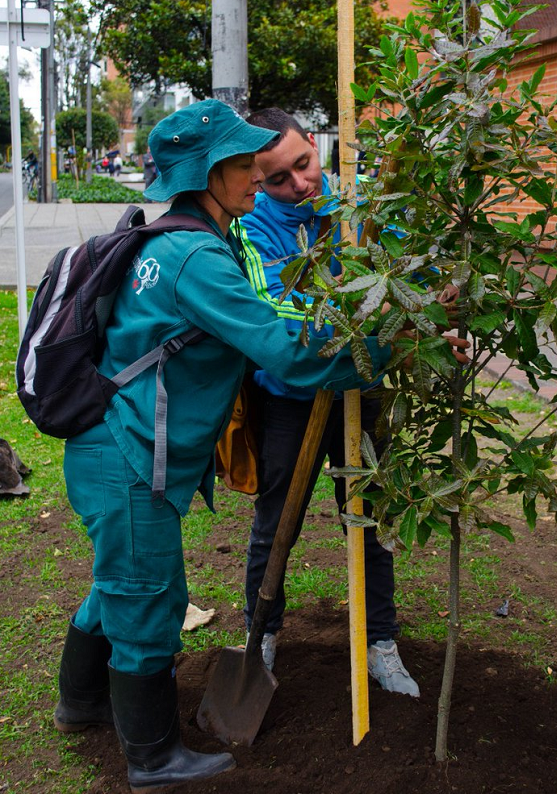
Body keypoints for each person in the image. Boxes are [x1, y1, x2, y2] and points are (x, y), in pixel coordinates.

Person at [53, 100, 396, 793]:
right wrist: (387, 345)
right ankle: (153, 757)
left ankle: (81, 702)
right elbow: (284, 349)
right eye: (244, 164)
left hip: (115, 447)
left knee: (120, 581)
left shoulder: (190, 240)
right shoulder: (195, 258)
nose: (257, 175)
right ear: (208, 175)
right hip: (123, 452)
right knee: (148, 595)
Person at [239, 108, 466, 697]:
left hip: (362, 390)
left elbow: (414, 273)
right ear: (258, 181)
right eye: (279, 179)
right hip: (290, 399)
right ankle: (260, 638)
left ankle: (380, 641)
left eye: (304, 164)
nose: (300, 184)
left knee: (370, 517)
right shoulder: (253, 227)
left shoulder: (362, 201)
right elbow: (282, 320)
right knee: (276, 522)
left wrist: (431, 306)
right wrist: (392, 326)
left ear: (315, 146)